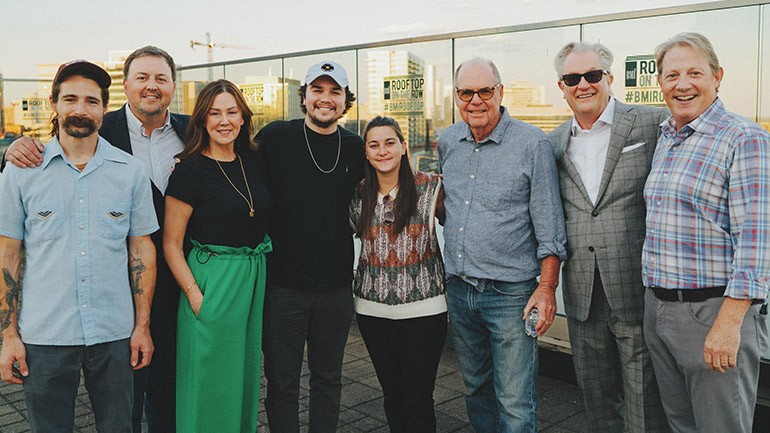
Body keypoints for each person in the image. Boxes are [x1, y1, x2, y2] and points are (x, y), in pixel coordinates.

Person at [3, 46, 188, 433]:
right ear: (53, 104)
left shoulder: (132, 170)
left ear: (105, 108)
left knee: (126, 422)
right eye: (70, 99)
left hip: (116, 331)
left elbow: (141, 248)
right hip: (45, 333)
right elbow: (8, 254)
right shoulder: (22, 172)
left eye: (91, 101)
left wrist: (141, 326)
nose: (81, 109)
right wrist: (8, 335)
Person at [642, 32, 769, 433]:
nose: (682, 84)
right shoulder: (667, 137)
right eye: (672, 74)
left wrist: (730, 324)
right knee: (681, 425)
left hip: (712, 313)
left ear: (718, 76)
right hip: (659, 309)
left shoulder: (743, 138)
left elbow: (757, 239)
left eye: (695, 72)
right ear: (660, 83)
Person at [438, 57, 567, 433]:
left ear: (500, 92)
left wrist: (547, 288)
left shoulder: (532, 144)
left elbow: (550, 227)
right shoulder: (449, 141)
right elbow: (450, 207)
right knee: (476, 389)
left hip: (511, 295)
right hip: (460, 291)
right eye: (466, 92)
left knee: (514, 399)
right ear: (457, 97)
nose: (476, 100)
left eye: (484, 91)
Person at [547, 42, 669, 433]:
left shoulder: (652, 123)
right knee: (596, 399)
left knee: (644, 401)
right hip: (582, 291)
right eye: (572, 78)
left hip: (636, 287)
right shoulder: (551, 143)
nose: (583, 84)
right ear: (562, 86)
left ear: (610, 79)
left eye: (592, 75)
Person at [257, 60, 364, 432]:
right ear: (304, 97)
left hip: (335, 288)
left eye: (335, 91)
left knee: (328, 381)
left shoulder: (355, 148)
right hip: (282, 288)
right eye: (317, 90)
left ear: (346, 100)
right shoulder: (274, 138)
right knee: (282, 384)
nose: (325, 98)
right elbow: (234, 172)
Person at [163, 79, 272, 432]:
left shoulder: (254, 161)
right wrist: (196, 296)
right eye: (214, 113)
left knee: (241, 377)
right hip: (211, 281)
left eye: (231, 112)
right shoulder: (189, 170)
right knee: (208, 379)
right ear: (202, 120)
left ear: (243, 118)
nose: (223, 121)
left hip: (252, 277)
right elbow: (171, 244)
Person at [349, 116, 447, 433]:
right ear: (366, 152)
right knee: (392, 396)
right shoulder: (357, 194)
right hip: (372, 310)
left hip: (425, 309)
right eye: (374, 145)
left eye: (389, 142)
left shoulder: (432, 188)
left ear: (403, 147)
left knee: (418, 397)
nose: (382, 150)